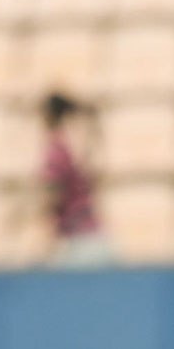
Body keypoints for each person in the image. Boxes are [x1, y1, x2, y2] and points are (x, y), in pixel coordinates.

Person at [40, 91, 111, 268]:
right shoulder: (70, 146)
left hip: (79, 244)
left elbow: (53, 195)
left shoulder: (57, 151)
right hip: (89, 239)